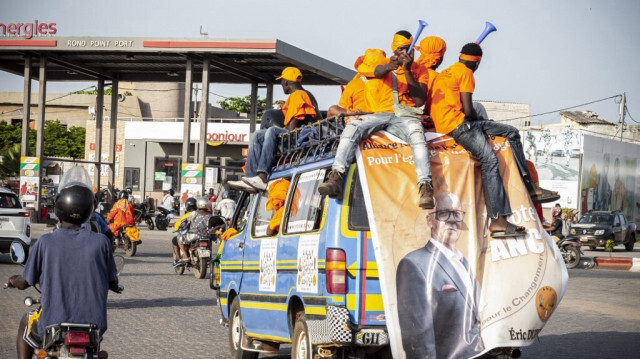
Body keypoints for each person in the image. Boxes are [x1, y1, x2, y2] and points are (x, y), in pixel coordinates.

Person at [428, 42, 559, 237]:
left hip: (452, 123)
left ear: (459, 56)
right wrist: (479, 120)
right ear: (477, 63)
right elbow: (468, 108)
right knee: (489, 160)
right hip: (459, 126)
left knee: (511, 132)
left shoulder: (447, 71)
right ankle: (498, 219)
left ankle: (530, 186)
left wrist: (480, 121)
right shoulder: (466, 73)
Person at [6, 167, 118, 359]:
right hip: (94, 327)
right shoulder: (102, 242)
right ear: (89, 209)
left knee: (26, 321)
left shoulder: (45, 242)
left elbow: (25, 282)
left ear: (58, 208)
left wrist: (13, 280)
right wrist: (115, 286)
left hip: (52, 324)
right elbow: (112, 281)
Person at [318, 31, 435, 209]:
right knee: (353, 128)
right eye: (403, 49)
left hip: (405, 116)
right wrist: (390, 66)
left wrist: (407, 70)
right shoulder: (383, 63)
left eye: (411, 49)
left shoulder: (420, 70)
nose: (407, 53)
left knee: (417, 135)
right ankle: (335, 177)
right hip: (377, 114)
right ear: (394, 50)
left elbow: (420, 101)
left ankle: (425, 187)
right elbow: (377, 72)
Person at [396, 191, 484, 358]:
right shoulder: (413, 263)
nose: (452, 219)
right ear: (430, 220)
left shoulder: (464, 262)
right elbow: (418, 336)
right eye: (443, 213)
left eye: (457, 214)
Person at [229, 67, 321, 192]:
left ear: (286, 82)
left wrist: (278, 132)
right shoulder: (305, 94)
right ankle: (250, 177)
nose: (282, 85)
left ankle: (262, 176)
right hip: (301, 136)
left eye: (281, 82)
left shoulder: (298, 95)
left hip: (303, 138)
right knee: (258, 134)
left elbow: (292, 128)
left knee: (272, 131)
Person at [325, 49, 386, 117]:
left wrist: (352, 114)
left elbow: (342, 107)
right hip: (383, 118)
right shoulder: (391, 82)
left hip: (359, 118)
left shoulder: (354, 83)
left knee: (333, 109)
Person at [172, 197, 212, 266]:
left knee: (179, 237)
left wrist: (180, 226)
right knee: (209, 242)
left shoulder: (194, 213)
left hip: (194, 235)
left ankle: (185, 256)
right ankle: (209, 255)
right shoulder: (210, 215)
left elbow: (185, 222)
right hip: (207, 235)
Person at [172, 197, 197, 264]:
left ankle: (184, 256)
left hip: (190, 235)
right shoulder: (200, 214)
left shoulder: (186, 216)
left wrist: (175, 226)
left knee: (176, 239)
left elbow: (178, 225)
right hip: (201, 235)